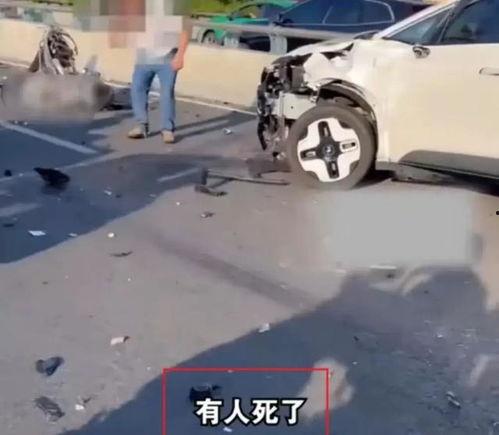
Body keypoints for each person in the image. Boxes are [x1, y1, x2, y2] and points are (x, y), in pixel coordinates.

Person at [125, 0, 191, 144]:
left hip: (168, 57)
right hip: (145, 57)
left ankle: (167, 129)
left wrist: (180, 56)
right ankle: (141, 125)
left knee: (166, 93)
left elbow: (185, 30)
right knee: (137, 89)